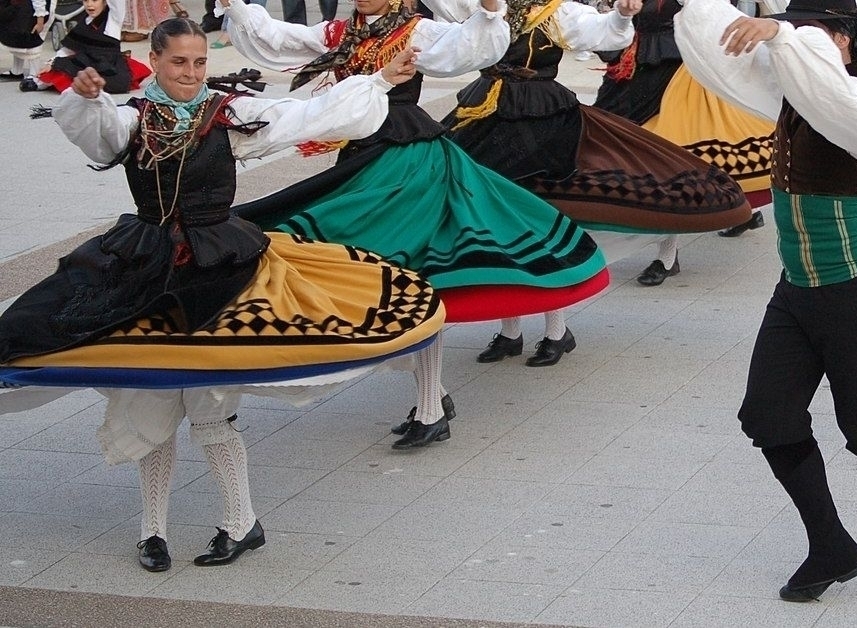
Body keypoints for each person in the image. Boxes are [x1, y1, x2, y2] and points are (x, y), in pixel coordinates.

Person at [0, 18, 440, 572]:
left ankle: (241, 522)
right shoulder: (133, 119)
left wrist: (377, 81)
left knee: (210, 408)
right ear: (154, 61)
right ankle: (152, 531)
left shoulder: (229, 114)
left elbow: (300, 115)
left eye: (200, 62)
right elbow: (98, 134)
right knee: (149, 397)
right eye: (180, 62)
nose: (191, 73)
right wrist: (86, 102)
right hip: (144, 262)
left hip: (218, 264)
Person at [221, 0, 612, 438]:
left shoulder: (416, 31)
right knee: (369, 269)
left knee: (413, 275)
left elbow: (462, 47)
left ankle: (432, 403)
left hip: (409, 158)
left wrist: (487, 14)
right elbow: (281, 38)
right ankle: (431, 398)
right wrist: (237, 8)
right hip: (364, 154)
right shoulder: (340, 32)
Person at [676, 0, 857, 605]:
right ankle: (830, 544)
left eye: (814, 37)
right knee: (767, 416)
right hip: (797, 287)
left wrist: (790, 38)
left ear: (843, 42)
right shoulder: (793, 98)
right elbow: (720, 52)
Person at [439, 0, 752, 367]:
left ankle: (556, 330)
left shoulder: (558, 12)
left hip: (540, 119)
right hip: (485, 112)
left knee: (541, 219)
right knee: (495, 220)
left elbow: (605, 32)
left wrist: (621, 14)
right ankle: (511, 331)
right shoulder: (485, 7)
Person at [593, 0, 775, 287]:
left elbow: (715, 17)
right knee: (617, 150)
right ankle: (742, 214)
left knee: (671, 158)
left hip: (678, 74)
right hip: (635, 70)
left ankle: (668, 256)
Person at [31, 0, 152, 93]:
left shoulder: (113, 19)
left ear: (105, 2)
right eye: (86, 0)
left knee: (116, 83)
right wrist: (51, 63)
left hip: (109, 65)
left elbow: (117, 3)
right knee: (61, 70)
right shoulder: (84, 22)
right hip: (86, 61)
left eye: (95, 0)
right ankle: (37, 83)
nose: (89, 5)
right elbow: (68, 49)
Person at [0, 0, 48, 90]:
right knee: (16, 38)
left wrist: (40, 20)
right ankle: (17, 71)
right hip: (17, 8)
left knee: (31, 40)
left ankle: (35, 74)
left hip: (32, 12)